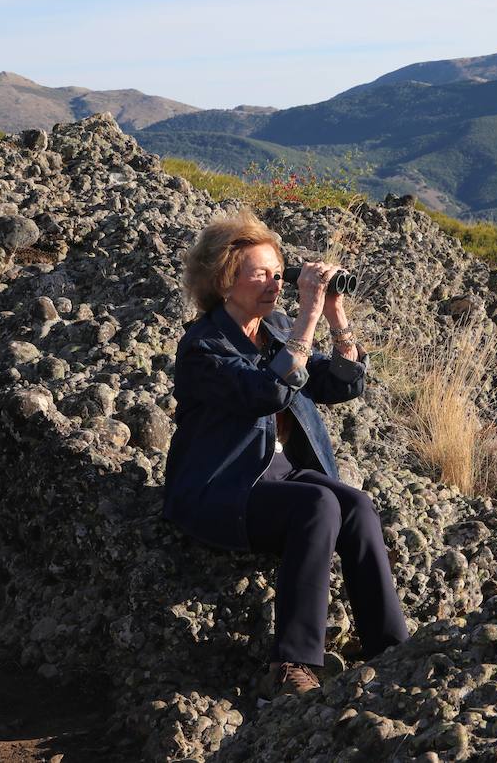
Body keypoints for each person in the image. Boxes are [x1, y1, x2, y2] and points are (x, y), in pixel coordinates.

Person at [163, 209, 408, 698]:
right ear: (225, 280)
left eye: (280, 273)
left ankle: (390, 647)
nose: (276, 284)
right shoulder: (203, 347)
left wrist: (336, 317)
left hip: (274, 474)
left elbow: (340, 385)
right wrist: (307, 316)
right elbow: (269, 392)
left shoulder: (273, 328)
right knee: (317, 505)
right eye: (261, 274)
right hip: (217, 487)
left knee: (355, 505)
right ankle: (291, 664)